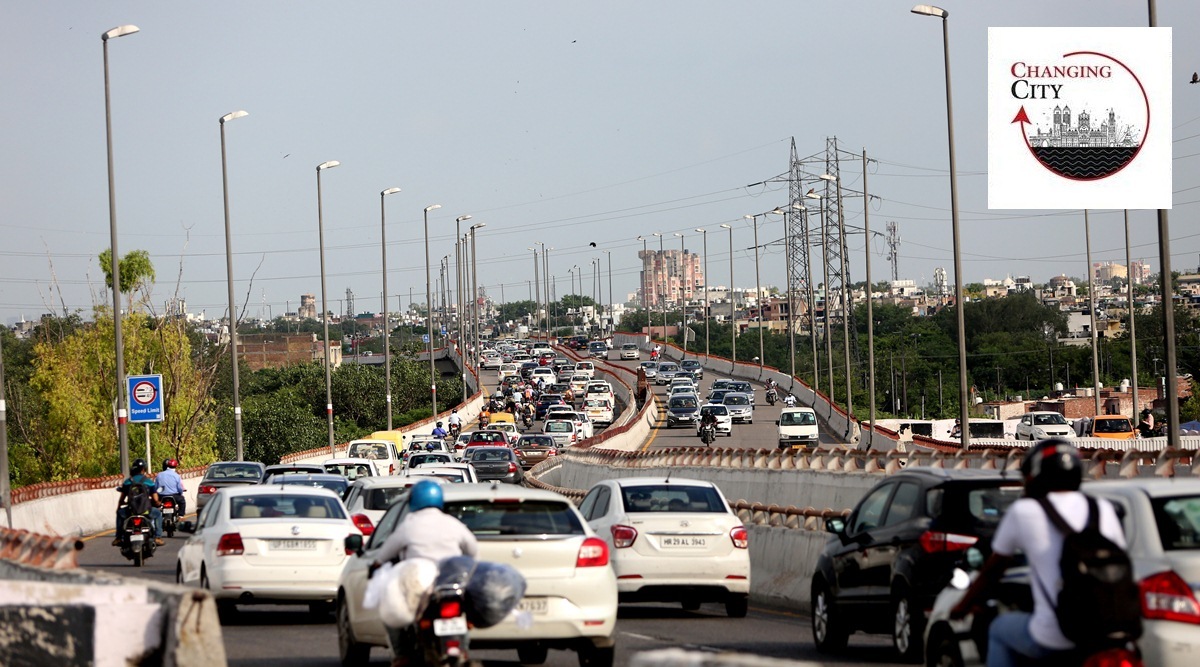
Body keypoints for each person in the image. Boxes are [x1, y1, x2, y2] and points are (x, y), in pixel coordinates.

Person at [951, 439, 1126, 667]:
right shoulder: (1102, 508)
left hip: (1055, 635)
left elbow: (993, 569)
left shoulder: (1025, 510)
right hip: (1109, 630)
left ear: (1035, 476)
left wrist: (962, 607)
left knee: (997, 630)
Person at [373, 480, 478, 666]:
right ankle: (463, 651)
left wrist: (376, 565)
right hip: (451, 583)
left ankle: (401, 656)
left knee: (391, 609)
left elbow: (384, 554)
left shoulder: (409, 525)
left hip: (419, 585)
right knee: (462, 615)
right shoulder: (452, 523)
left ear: (414, 501)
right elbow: (473, 550)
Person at [113, 458, 164, 547]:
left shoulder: (127, 482)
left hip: (131, 511)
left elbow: (122, 499)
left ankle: (118, 538)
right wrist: (158, 503)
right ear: (143, 469)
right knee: (158, 514)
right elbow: (155, 500)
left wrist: (118, 508)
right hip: (146, 511)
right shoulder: (149, 482)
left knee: (120, 513)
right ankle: (158, 537)